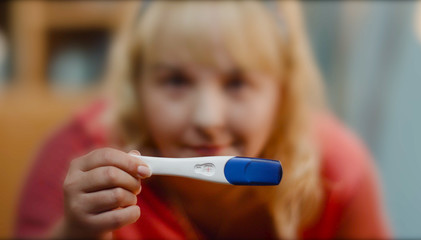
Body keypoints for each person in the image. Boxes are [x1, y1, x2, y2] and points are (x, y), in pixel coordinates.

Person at [14, 1, 391, 239]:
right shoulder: (78, 162)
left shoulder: (340, 174)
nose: (208, 118)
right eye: (176, 80)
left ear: (284, 91)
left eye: (238, 82)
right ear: (136, 85)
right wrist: (76, 233)